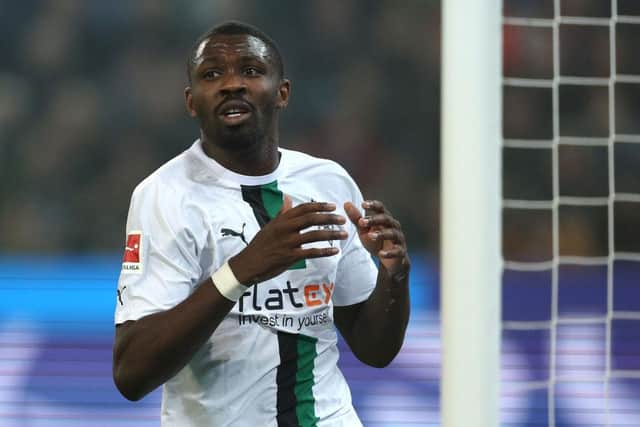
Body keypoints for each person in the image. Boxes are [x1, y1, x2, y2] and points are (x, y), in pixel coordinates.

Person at [112, 21, 410, 427]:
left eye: (250, 71)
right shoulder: (165, 196)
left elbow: (376, 350)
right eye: (212, 74)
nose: (232, 84)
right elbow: (132, 372)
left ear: (282, 92)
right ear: (191, 101)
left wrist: (393, 277)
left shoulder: (328, 182)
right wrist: (241, 271)